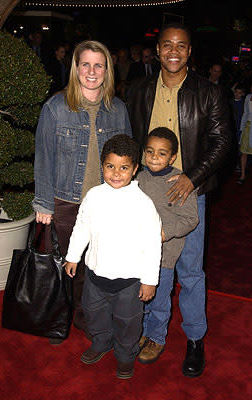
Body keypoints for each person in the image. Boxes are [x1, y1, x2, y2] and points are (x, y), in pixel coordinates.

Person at [126, 23, 231, 377]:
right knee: (148, 266)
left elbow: (221, 142)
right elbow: (131, 140)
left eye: (181, 46)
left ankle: (195, 339)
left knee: (190, 271)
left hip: (189, 193)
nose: (173, 51)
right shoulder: (139, 91)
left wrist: (192, 177)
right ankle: (149, 333)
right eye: (167, 45)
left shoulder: (208, 92)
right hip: (146, 193)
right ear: (157, 51)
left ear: (190, 51)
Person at [32, 40, 132, 344]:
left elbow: (127, 157)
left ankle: (86, 318)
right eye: (85, 64)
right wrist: (44, 203)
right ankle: (58, 319)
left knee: (95, 266)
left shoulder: (118, 109)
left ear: (107, 70)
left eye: (98, 65)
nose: (91, 71)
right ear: (76, 68)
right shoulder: (55, 107)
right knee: (63, 266)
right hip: (64, 201)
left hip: (104, 203)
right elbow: (43, 156)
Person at [64, 134, 162, 379]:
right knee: (93, 312)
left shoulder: (143, 204)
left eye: (124, 167)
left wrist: (150, 280)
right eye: (110, 166)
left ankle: (126, 355)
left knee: (128, 323)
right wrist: (73, 256)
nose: (116, 173)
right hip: (96, 275)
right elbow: (82, 226)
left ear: (135, 169)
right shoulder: (94, 196)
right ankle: (101, 342)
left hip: (129, 281)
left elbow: (152, 244)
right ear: (102, 166)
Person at [136, 127, 199, 364]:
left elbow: (191, 218)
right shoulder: (138, 178)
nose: (154, 157)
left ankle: (156, 337)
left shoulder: (180, 182)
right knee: (139, 298)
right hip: (137, 254)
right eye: (150, 151)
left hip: (164, 256)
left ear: (172, 158)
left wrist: (165, 232)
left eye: (161, 153)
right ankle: (141, 331)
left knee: (159, 299)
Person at [238, 84, 252, 184]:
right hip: (248, 127)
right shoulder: (248, 97)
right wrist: (241, 129)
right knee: (243, 152)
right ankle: (242, 175)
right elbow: (245, 113)